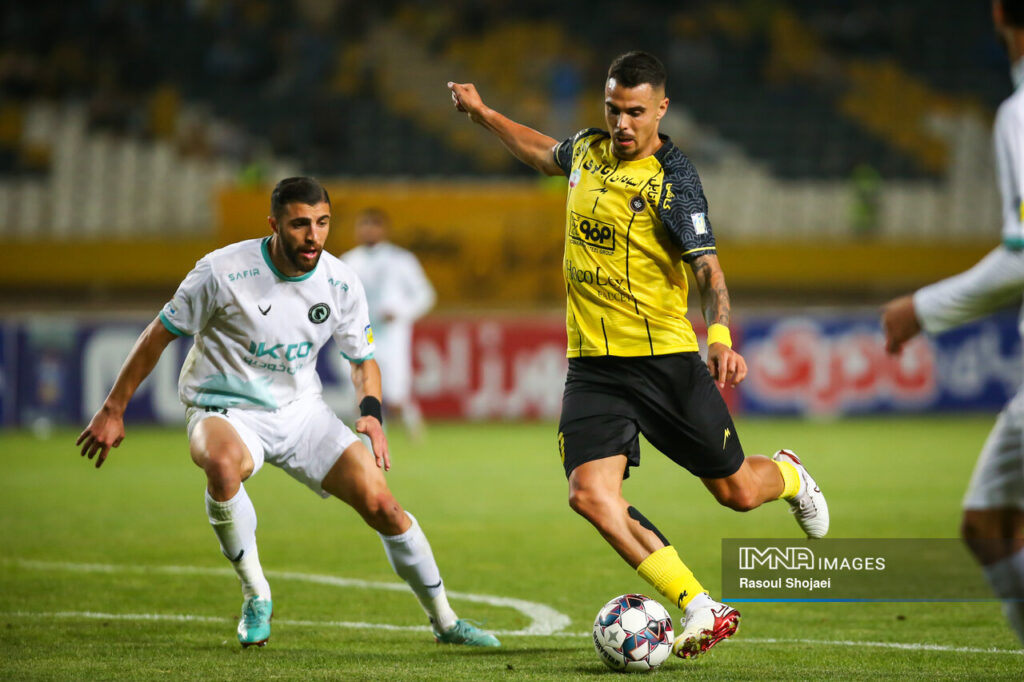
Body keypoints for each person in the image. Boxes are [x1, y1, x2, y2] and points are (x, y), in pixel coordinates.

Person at [448, 51, 828, 659]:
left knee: (735, 493)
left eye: (634, 113)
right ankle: (701, 605)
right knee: (589, 495)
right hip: (594, 367)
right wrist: (486, 114)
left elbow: (708, 269)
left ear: (661, 109)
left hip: (664, 362)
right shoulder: (588, 152)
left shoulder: (675, 181)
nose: (622, 124)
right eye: (613, 110)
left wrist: (721, 339)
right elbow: (544, 152)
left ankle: (786, 473)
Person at [75, 177, 500, 649]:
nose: (313, 236)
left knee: (384, 506)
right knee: (221, 464)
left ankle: (445, 621)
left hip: (301, 414)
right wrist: (114, 409)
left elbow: (362, 361)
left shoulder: (339, 281)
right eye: (300, 225)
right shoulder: (221, 272)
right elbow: (159, 334)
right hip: (225, 407)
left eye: (322, 223)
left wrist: (372, 414)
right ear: (274, 225)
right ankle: (257, 594)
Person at [882, 0, 1024, 647]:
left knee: (988, 523)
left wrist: (923, 310)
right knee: (996, 521)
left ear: (999, 13)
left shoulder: (1019, 117)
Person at [341, 208, 436, 439]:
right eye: (364, 225)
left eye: (373, 225)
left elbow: (425, 295)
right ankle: (369, 440)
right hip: (360, 336)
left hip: (392, 336)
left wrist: (402, 312)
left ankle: (414, 429)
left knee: (395, 395)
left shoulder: (401, 260)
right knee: (361, 391)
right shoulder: (348, 261)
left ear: (383, 229)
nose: (368, 230)